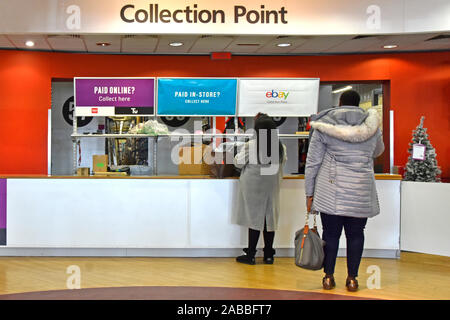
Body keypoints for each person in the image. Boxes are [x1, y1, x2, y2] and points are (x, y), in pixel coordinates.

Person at [304, 90, 384, 292]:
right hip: (360, 189)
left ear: (339, 103)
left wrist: (309, 193)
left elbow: (312, 163)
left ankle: (329, 277)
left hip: (331, 191)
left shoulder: (324, 126)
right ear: (359, 105)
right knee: (356, 234)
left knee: (330, 235)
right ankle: (352, 279)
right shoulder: (372, 126)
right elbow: (378, 151)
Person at [232, 113, 287, 265]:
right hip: (272, 186)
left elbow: (238, 162)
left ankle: (250, 254)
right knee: (269, 219)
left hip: (253, 185)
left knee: (254, 219)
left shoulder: (252, 144)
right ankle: (269, 254)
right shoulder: (280, 146)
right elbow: (284, 162)